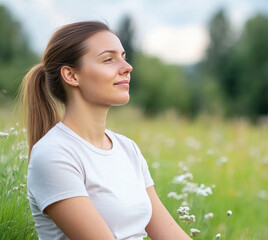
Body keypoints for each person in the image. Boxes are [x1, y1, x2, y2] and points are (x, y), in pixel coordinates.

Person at [20, 21, 191, 240]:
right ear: (71, 76)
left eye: (123, 56)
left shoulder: (128, 149)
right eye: (109, 59)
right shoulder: (54, 155)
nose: (127, 67)